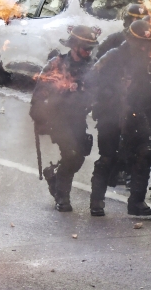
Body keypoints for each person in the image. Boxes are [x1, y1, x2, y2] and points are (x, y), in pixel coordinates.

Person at [87, 20, 151, 216]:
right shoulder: (113, 57)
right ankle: (97, 200)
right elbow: (91, 79)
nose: (144, 47)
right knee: (108, 157)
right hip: (111, 113)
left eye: (148, 43)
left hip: (136, 112)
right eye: (140, 42)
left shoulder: (150, 60)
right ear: (130, 39)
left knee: (145, 152)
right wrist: (109, 96)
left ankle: (137, 202)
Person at [30, 25, 99, 212]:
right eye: (85, 47)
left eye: (90, 48)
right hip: (57, 119)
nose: (88, 52)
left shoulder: (92, 67)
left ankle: (54, 176)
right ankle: (62, 196)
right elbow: (38, 95)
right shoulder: (56, 64)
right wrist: (39, 117)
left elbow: (99, 91)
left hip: (78, 119)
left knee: (78, 157)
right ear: (74, 46)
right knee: (71, 153)